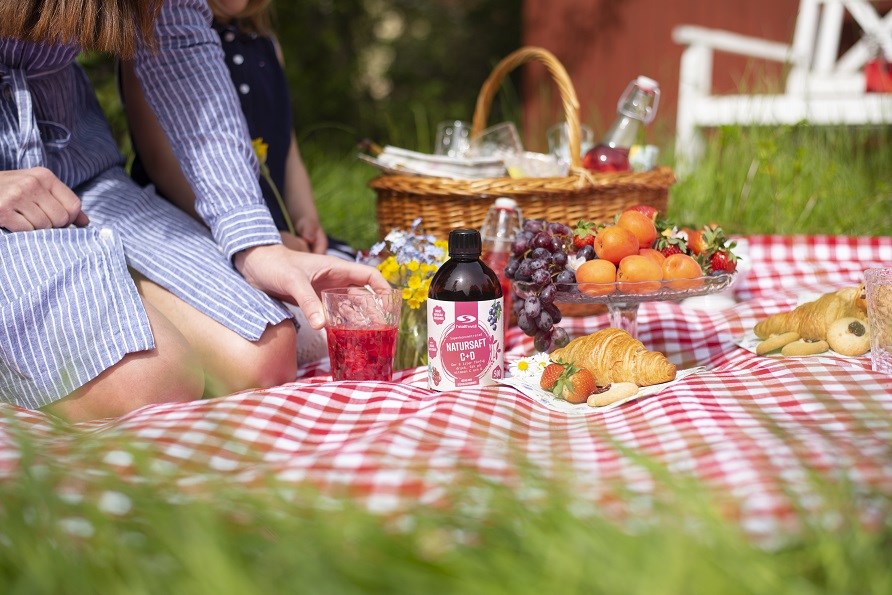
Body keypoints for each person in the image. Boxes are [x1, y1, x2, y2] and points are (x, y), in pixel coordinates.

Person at [0, 0, 389, 422]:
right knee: (148, 385)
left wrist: (255, 244)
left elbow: (180, 49)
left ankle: (113, 287)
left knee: (263, 354)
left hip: (83, 174)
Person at [123, 0, 354, 260]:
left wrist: (304, 216)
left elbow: (287, 148)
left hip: (277, 226)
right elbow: (159, 160)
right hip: (191, 223)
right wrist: (257, 234)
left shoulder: (268, 45)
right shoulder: (157, 37)